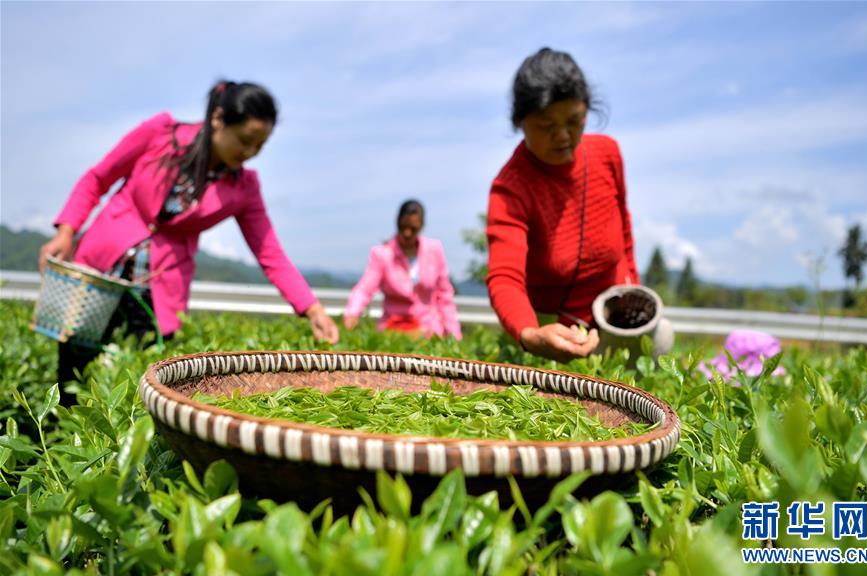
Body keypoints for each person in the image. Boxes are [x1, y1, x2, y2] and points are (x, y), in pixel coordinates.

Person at [39, 80, 339, 397]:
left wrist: (313, 309)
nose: (249, 152)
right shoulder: (160, 134)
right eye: (245, 140)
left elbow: (269, 252)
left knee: (142, 386)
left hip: (158, 291)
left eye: (259, 146)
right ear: (218, 118)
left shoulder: (243, 188)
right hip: (98, 272)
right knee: (72, 373)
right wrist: (66, 231)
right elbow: (98, 178)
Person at [487, 47, 647, 362]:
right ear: (520, 122)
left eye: (574, 121)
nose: (562, 136)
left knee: (661, 341)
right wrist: (529, 334)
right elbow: (505, 276)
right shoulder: (511, 187)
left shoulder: (607, 154)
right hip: (552, 333)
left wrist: (632, 295)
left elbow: (624, 234)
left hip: (611, 319)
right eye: (546, 126)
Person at [343, 200, 462, 340]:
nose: (407, 233)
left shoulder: (434, 250)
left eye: (413, 229)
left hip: (428, 331)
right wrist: (352, 313)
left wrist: (454, 334)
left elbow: (444, 295)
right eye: (403, 227)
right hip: (393, 331)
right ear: (397, 222)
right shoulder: (383, 254)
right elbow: (364, 289)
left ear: (422, 226)